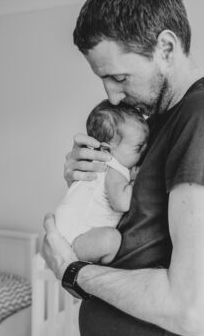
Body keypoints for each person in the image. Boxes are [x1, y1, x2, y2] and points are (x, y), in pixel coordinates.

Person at [40, 0, 204, 336]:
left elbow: (194, 311)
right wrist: (83, 190)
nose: (111, 96)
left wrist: (71, 270)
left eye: (120, 78)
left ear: (167, 48)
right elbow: (131, 257)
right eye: (103, 80)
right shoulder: (152, 125)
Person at [54, 99, 148, 264]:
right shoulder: (113, 169)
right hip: (77, 232)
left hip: (69, 226)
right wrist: (136, 180)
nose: (144, 151)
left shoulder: (98, 165)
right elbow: (122, 203)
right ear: (106, 150)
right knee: (111, 240)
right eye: (138, 148)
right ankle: (68, 257)